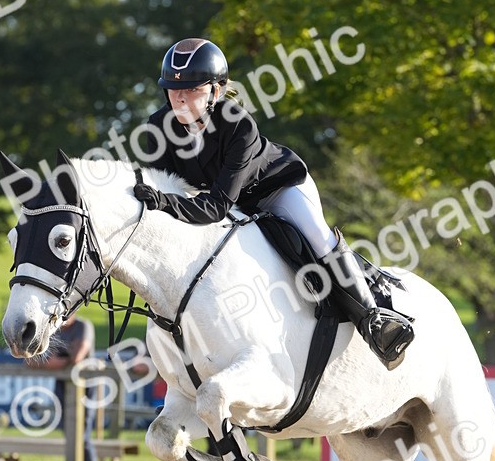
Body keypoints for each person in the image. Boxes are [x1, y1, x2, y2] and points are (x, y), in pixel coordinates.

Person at [133, 37, 414, 367]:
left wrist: (165, 203)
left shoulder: (237, 125)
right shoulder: (157, 127)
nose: (180, 98)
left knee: (318, 240)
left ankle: (374, 322)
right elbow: (167, 192)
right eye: (173, 89)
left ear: (216, 91)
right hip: (226, 205)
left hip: (278, 190)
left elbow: (215, 205)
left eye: (193, 89)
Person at [41, 312, 99, 461]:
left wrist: (55, 361)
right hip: (63, 383)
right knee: (67, 428)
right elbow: (30, 360)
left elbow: (77, 357)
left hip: (84, 385)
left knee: (82, 431)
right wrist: (51, 362)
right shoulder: (53, 329)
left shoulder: (83, 326)